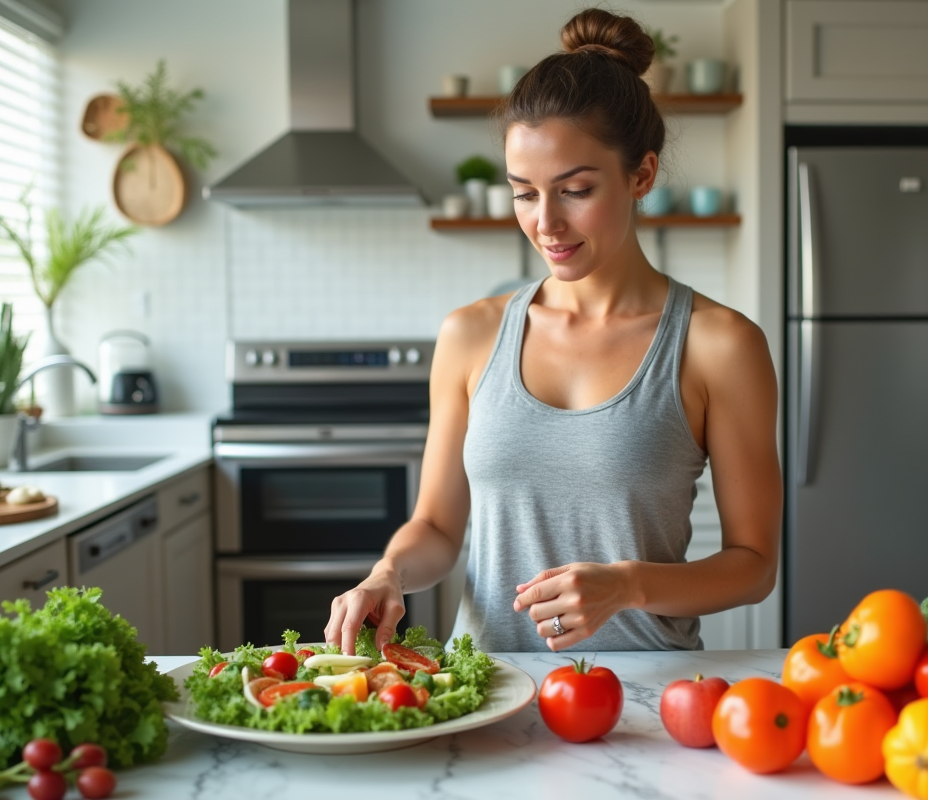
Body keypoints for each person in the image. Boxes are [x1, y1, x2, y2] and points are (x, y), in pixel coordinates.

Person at [325, 8, 781, 655]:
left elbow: (754, 563)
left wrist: (629, 586)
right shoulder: (469, 335)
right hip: (484, 688)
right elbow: (435, 525)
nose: (546, 223)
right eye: (524, 193)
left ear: (642, 175)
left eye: (575, 189)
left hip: (644, 699)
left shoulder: (719, 344)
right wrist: (388, 573)